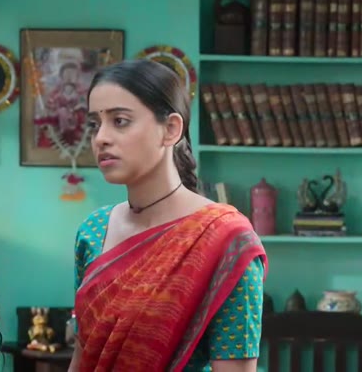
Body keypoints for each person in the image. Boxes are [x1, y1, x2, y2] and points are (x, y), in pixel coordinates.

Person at [70, 59, 268, 372]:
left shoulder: (227, 240)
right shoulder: (93, 230)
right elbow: (82, 357)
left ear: (171, 129)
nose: (101, 138)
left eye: (120, 121)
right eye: (95, 124)